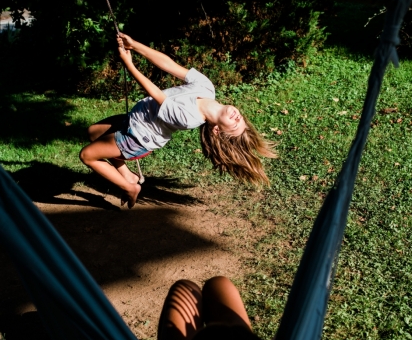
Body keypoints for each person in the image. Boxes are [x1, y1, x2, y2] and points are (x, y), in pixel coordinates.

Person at [79, 33, 277, 209]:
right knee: (93, 132)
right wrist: (135, 45)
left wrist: (129, 64)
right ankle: (128, 175)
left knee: (87, 155)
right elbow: (169, 65)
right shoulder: (207, 87)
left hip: (138, 136)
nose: (237, 117)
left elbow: (154, 92)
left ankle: (129, 187)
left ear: (217, 131)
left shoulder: (190, 118)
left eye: (234, 124)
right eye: (240, 118)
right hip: (136, 119)